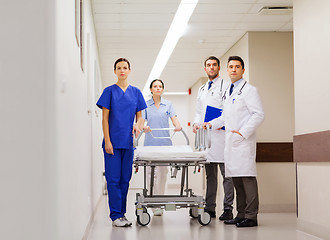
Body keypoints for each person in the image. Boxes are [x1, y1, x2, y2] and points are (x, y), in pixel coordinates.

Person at [204, 56, 264, 227]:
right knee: (237, 180)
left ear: (243, 70)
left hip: (242, 142)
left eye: (237, 67)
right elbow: (225, 117)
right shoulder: (229, 91)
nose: (233, 70)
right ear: (227, 70)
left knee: (247, 179)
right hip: (231, 143)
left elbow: (258, 114)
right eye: (231, 67)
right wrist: (210, 124)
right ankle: (241, 213)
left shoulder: (249, 90)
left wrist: (243, 133)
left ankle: (251, 216)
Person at [96, 58, 147, 227]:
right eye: (119, 68)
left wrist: (138, 126)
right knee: (113, 179)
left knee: (125, 179)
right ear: (115, 71)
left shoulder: (136, 92)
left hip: (128, 142)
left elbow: (140, 117)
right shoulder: (109, 91)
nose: (122, 70)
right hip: (112, 143)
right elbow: (104, 118)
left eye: (125, 68)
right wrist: (108, 141)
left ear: (129, 70)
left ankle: (122, 214)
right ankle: (115, 215)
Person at [192, 56, 234, 220]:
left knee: (227, 176)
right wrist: (196, 123)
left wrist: (210, 124)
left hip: (221, 136)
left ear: (219, 67)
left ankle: (228, 209)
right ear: (205, 69)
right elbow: (198, 112)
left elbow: (227, 113)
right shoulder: (202, 89)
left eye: (214, 65)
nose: (211, 67)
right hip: (207, 139)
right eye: (208, 65)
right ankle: (210, 208)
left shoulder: (226, 86)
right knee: (210, 177)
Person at [142, 79, 182, 216]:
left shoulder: (168, 104)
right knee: (151, 175)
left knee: (163, 174)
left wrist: (178, 126)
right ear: (151, 89)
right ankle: (153, 204)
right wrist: (144, 127)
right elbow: (141, 122)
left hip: (165, 145)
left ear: (162, 89)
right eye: (155, 86)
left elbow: (175, 119)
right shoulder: (145, 105)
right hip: (150, 145)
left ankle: (159, 201)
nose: (158, 88)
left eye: (160, 86)